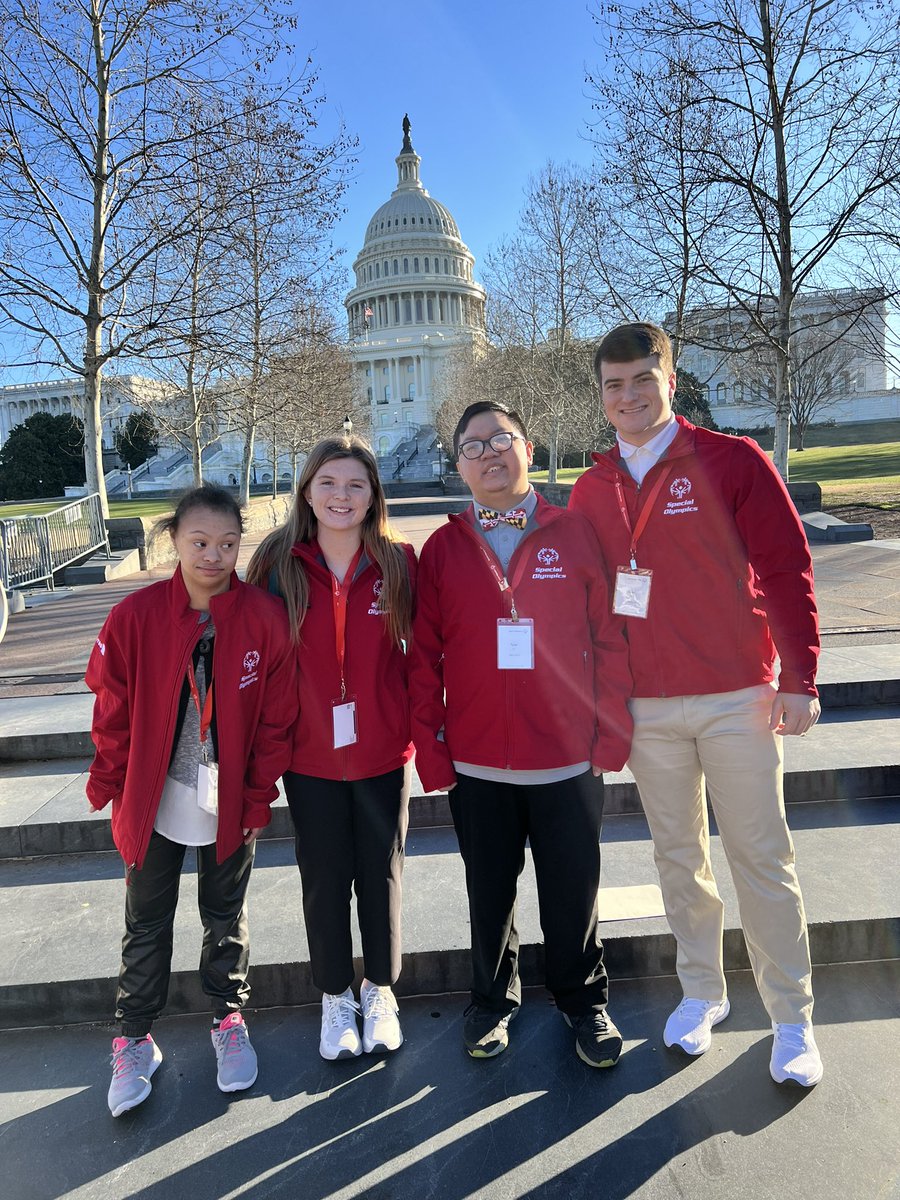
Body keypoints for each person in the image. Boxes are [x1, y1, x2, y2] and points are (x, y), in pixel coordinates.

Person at [570, 321, 823, 1087]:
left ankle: (792, 1017)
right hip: (650, 709)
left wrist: (800, 676)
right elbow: (586, 604)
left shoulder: (729, 460)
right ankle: (703, 992)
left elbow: (785, 567)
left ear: (668, 381)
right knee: (680, 859)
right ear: (602, 395)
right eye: (614, 385)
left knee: (761, 858)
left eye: (642, 379)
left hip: (737, 695)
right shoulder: (593, 485)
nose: (629, 397)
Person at [409, 401, 633, 1067]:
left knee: (573, 890)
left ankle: (582, 999)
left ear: (527, 449)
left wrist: (611, 732)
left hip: (566, 757)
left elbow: (611, 636)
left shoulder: (575, 532)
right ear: (458, 467)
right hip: (479, 763)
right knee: (489, 893)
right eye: (473, 446)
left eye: (500, 439)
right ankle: (490, 1000)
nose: (488, 453)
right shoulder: (443, 548)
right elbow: (423, 658)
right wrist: (432, 749)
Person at [86, 484, 298, 1118]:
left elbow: (276, 721)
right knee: (145, 922)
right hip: (155, 799)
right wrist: (110, 779)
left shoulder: (262, 616)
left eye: (228, 543)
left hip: (228, 801)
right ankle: (133, 1038)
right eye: (199, 542)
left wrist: (258, 796)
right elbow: (112, 708)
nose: (214, 555)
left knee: (224, 916)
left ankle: (228, 1021)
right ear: (173, 541)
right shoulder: (136, 616)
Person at [246, 436, 415, 1062]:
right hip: (308, 753)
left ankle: (380, 990)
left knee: (382, 871)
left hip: (380, 750)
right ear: (307, 490)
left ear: (373, 495)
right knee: (322, 877)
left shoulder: (398, 562)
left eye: (355, 485)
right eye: (329, 483)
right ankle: (335, 996)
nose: (341, 497)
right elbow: (254, 657)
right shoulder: (276, 562)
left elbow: (421, 655)